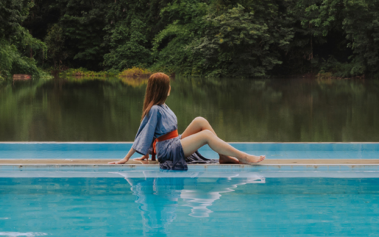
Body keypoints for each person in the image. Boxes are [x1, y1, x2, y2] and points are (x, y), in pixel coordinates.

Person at [109, 72, 265, 169]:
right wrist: (126, 158)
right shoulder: (155, 109)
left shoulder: (163, 106)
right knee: (206, 136)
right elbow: (144, 134)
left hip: (173, 142)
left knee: (200, 120)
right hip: (168, 150)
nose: (170, 88)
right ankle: (243, 156)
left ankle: (223, 156)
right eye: (168, 86)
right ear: (164, 89)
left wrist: (147, 153)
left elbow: (154, 134)